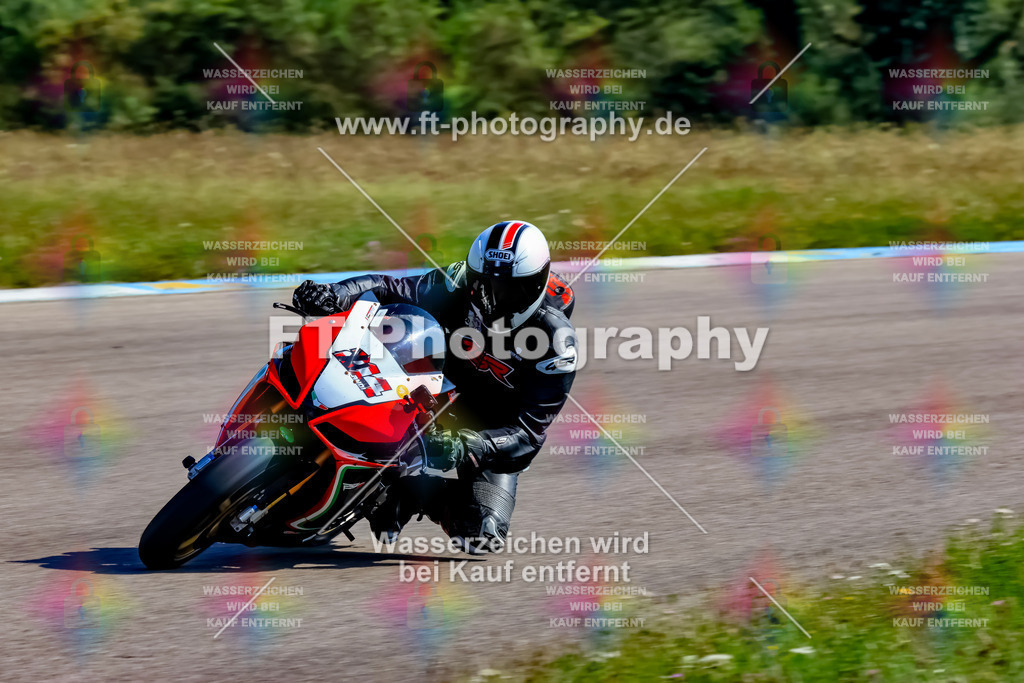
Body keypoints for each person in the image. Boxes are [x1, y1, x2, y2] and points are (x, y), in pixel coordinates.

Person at [292, 220, 578, 553]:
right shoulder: (456, 281)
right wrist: (334, 293)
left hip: (492, 423)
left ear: (538, 283)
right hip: (436, 385)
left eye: (510, 291)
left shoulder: (557, 344)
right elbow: (389, 287)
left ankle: (403, 494)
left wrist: (469, 446)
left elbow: (528, 435)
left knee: (481, 534)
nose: (492, 301)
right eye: (484, 285)